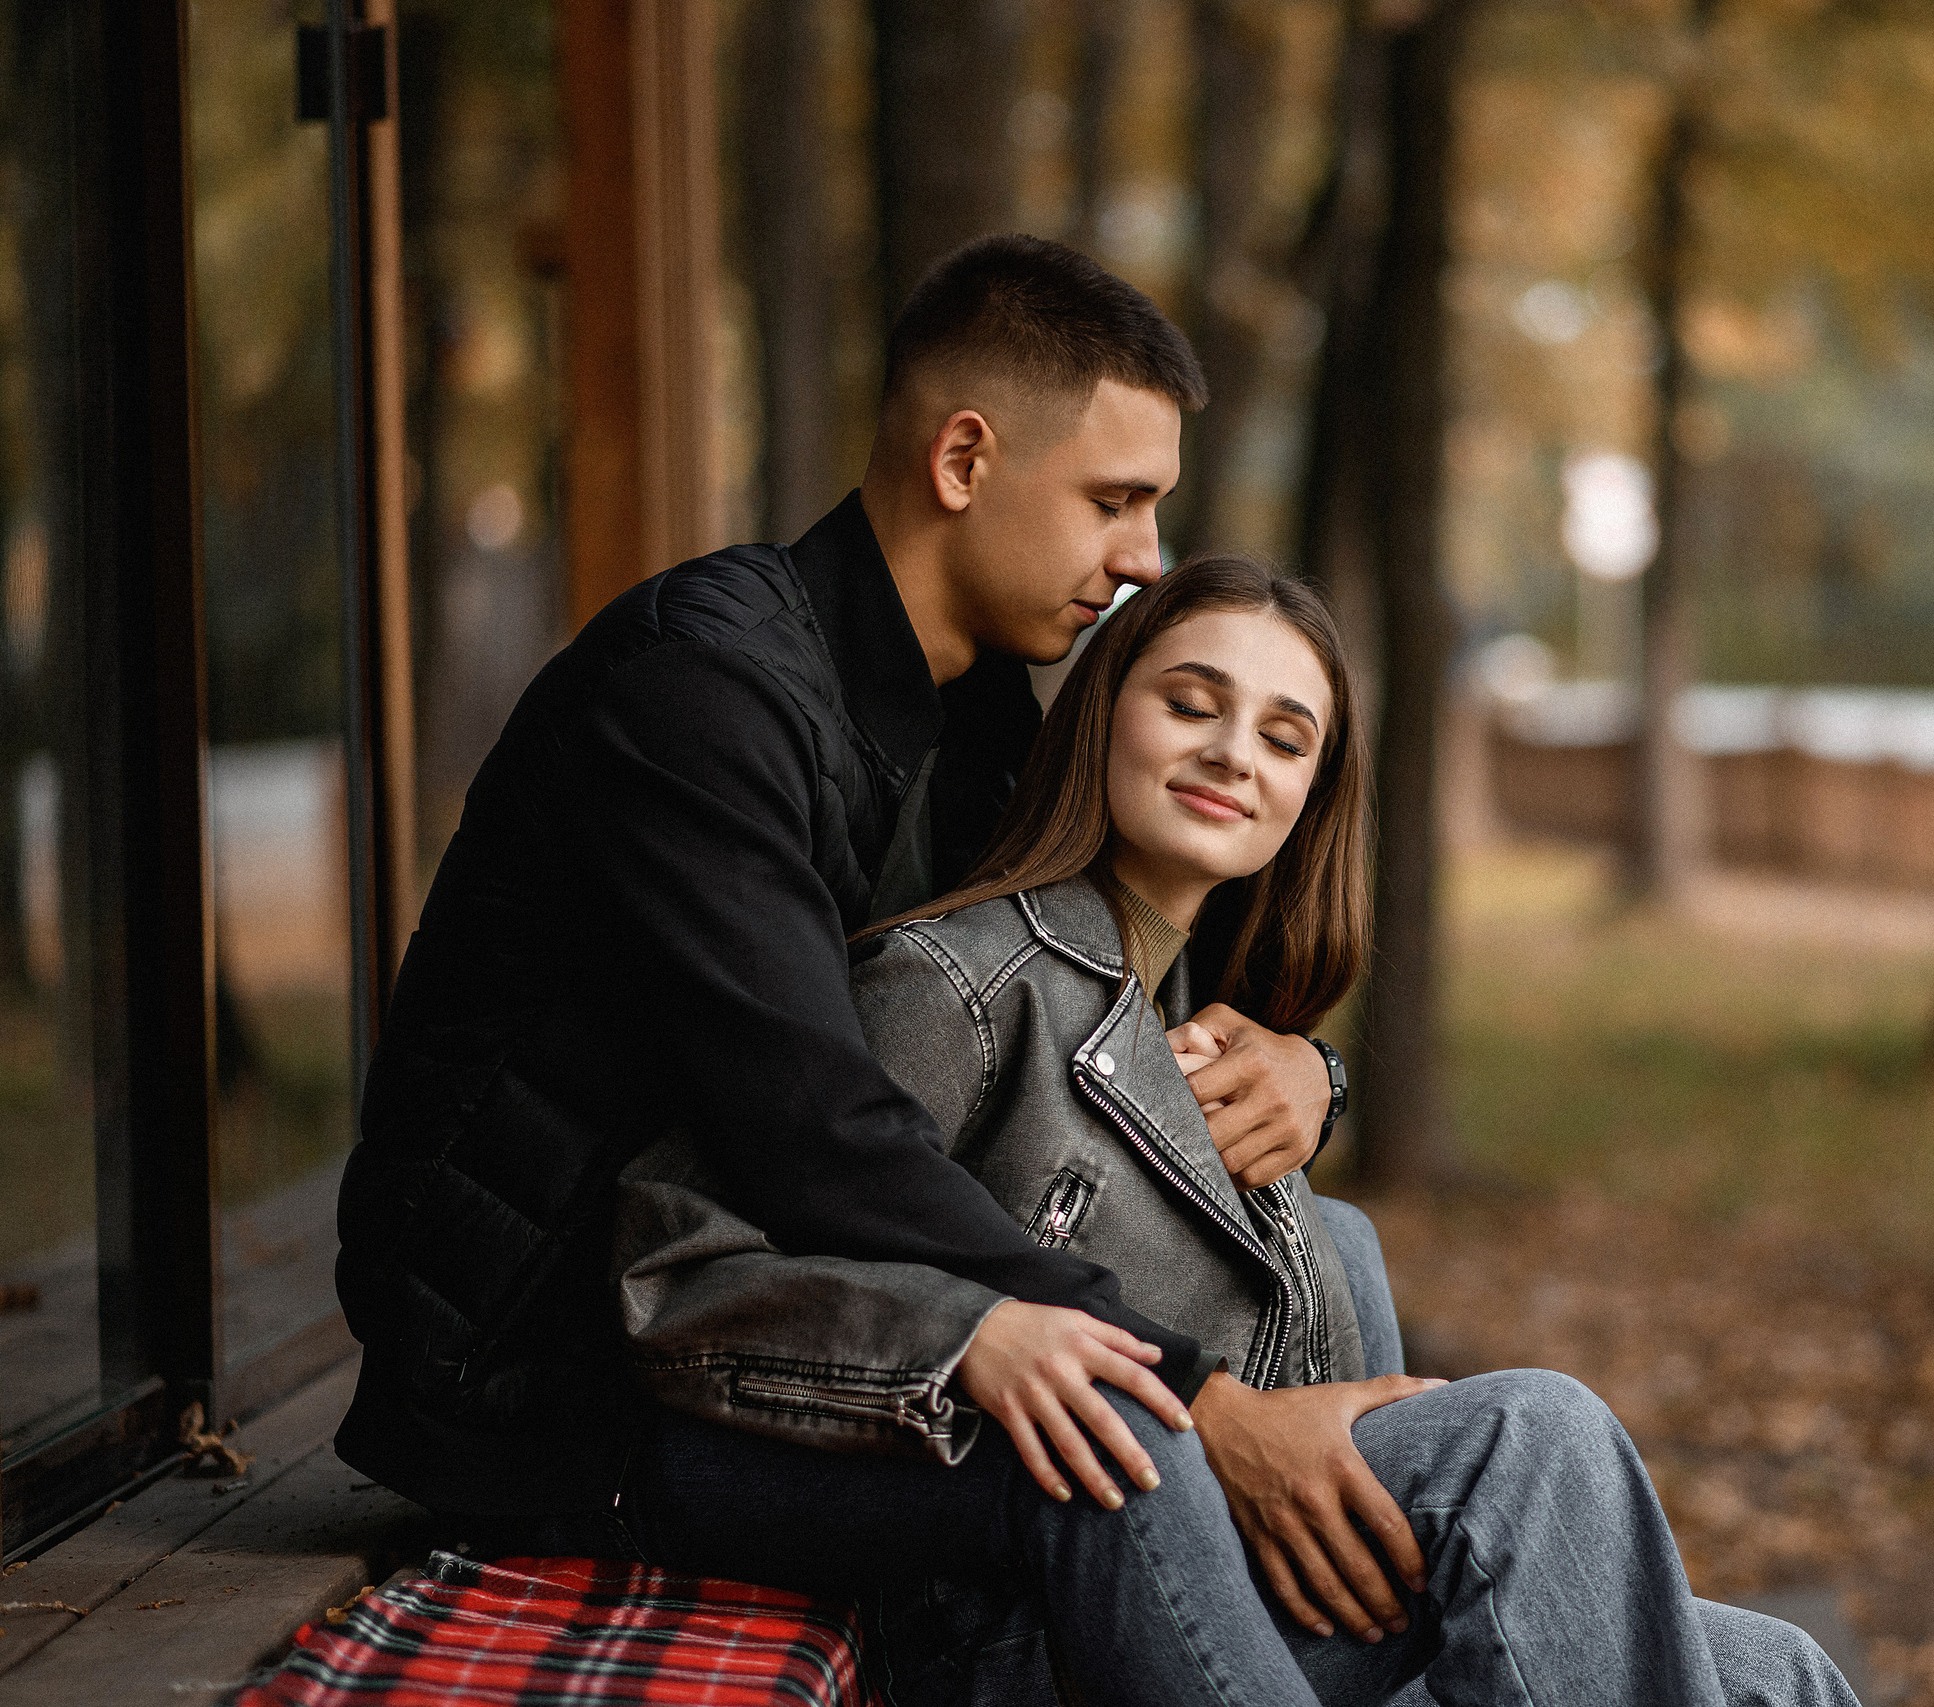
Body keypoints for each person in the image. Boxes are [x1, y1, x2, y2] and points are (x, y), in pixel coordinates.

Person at [614, 558, 1860, 1707]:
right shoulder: (962, 983)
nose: (1232, 754)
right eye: (1191, 703)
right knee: (1523, 1442)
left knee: (1782, 1670)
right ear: (1105, 713)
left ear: (1311, 793)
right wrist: (968, 1335)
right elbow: (681, 1268)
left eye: (1283, 735)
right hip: (1021, 1618)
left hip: (1242, 1587)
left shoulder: (1207, 1029)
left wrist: (1316, 1076)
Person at [333, 234, 1339, 1536]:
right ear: (965, 459)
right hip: (560, 1373)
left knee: (1327, 1258)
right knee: (1135, 1461)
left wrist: (1313, 1072)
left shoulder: (969, 711)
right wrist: (1190, 1388)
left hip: (790, 1311)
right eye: (1114, 499)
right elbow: (819, 1130)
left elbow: (1100, 1001)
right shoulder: (700, 695)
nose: (1147, 556)